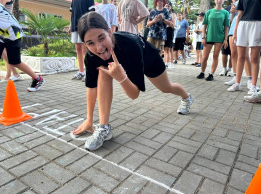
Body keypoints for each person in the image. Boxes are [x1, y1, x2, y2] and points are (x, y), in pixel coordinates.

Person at [72, 12, 193, 151]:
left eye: (101, 38)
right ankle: (104, 128)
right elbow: (92, 88)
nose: (99, 48)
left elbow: (134, 94)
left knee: (166, 88)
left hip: (149, 59)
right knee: (103, 71)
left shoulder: (130, 45)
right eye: (90, 43)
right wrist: (89, 119)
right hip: (120, 66)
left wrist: (121, 78)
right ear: (85, 44)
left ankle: (187, 97)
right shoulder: (91, 57)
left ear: (110, 32)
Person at [228, 0, 261, 95]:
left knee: (254, 58)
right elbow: (239, 14)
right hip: (243, 25)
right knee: (240, 56)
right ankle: (237, 83)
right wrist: (235, 30)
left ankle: (253, 86)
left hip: (258, 25)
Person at [224, 0, 253, 89]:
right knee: (234, 54)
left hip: (244, 28)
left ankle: (250, 79)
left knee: (245, 55)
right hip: (233, 29)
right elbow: (232, 20)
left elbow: (250, 12)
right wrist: (232, 13)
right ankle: (235, 77)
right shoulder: (236, 2)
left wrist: (237, 11)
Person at [196, 0, 230, 81]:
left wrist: (225, 39)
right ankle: (202, 72)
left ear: (223, 0)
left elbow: (226, 27)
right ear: (215, 0)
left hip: (219, 37)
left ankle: (211, 74)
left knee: (215, 55)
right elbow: (205, 26)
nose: (219, 1)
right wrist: (203, 37)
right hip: (209, 37)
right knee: (204, 56)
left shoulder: (226, 13)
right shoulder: (209, 12)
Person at [69, 0, 95, 81]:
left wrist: (89, 26)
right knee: (78, 49)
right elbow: (72, 12)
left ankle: (89, 72)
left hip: (84, 26)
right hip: (75, 26)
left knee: (86, 50)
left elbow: (92, 11)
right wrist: (70, 26)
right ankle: (81, 72)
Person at [219, 0, 240, 76]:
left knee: (233, 52)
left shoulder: (242, 6)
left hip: (237, 32)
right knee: (224, 52)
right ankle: (224, 68)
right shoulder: (227, 8)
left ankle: (231, 69)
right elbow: (226, 22)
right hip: (227, 33)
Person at [164, 2, 176, 69]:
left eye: (168, 6)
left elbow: (173, 24)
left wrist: (167, 25)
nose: (167, 7)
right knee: (165, 49)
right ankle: (166, 62)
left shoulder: (172, 14)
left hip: (170, 31)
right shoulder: (164, 14)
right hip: (164, 32)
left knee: (169, 48)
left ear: (171, 7)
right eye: (166, 6)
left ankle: (169, 63)